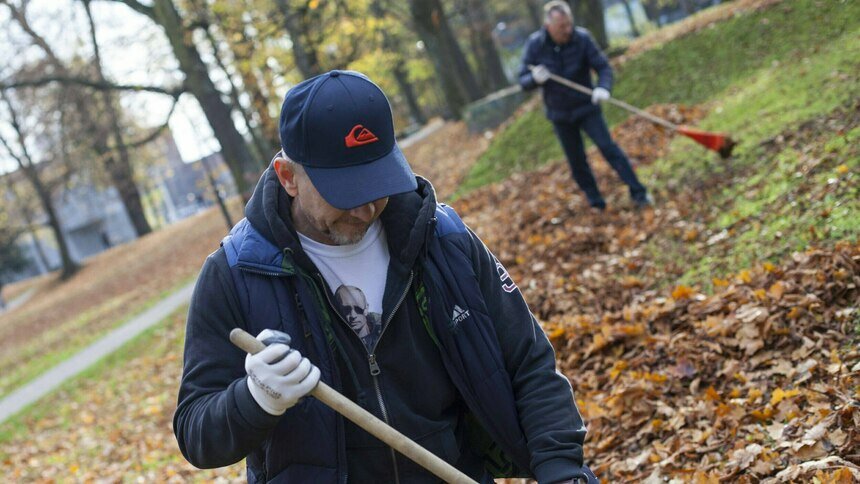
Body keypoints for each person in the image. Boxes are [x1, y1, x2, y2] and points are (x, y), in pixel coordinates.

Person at [173, 70, 597, 483]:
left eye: (377, 182)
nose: (365, 208)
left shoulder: (441, 239)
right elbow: (196, 433)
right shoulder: (236, 274)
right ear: (289, 177)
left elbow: (527, 361)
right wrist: (255, 398)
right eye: (346, 192)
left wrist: (562, 469)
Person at [519, 0, 651, 210]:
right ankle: (596, 203)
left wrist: (603, 88)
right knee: (577, 161)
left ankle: (639, 193)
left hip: (586, 107)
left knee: (609, 148)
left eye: (569, 24)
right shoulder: (535, 45)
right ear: (548, 26)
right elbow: (522, 80)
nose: (567, 30)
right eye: (561, 26)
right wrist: (535, 79)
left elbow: (603, 67)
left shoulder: (582, 38)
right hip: (560, 114)